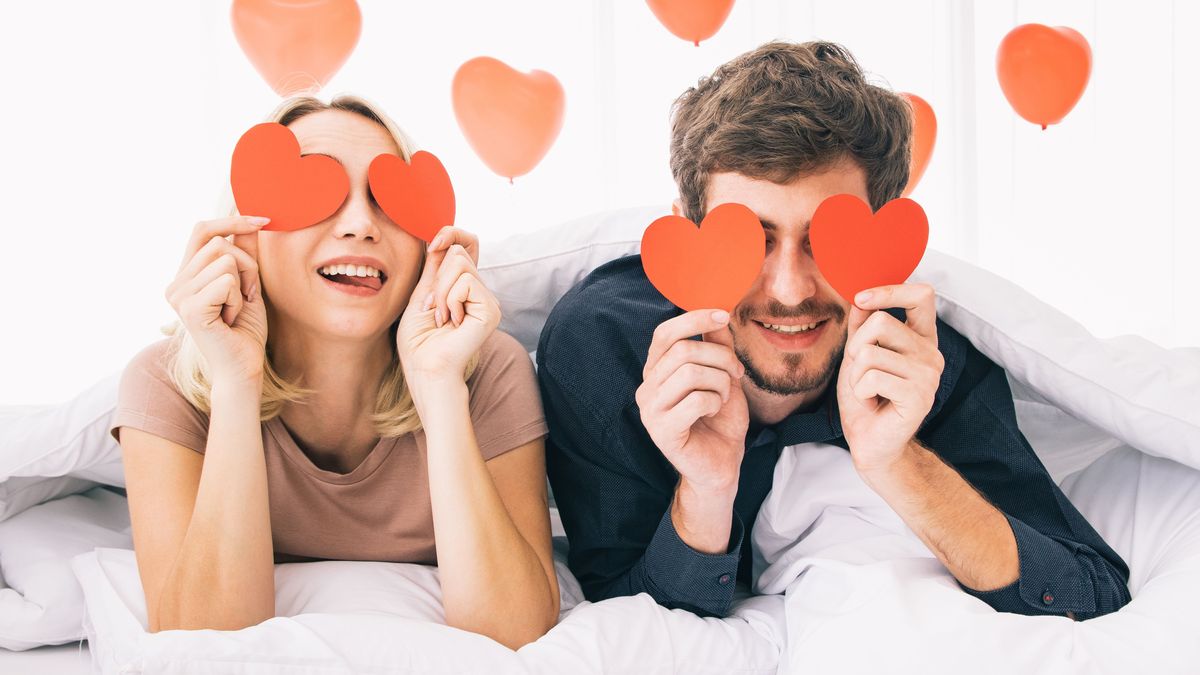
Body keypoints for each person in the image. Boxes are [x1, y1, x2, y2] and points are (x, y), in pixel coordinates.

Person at [538, 41, 1131, 620]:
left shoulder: (929, 361)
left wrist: (896, 462)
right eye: (754, 239)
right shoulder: (602, 347)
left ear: (884, 241)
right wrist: (707, 490)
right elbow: (619, 614)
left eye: (828, 240)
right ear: (690, 233)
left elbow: (1087, 590)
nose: (791, 290)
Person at [111, 95, 559, 649]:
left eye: (389, 199)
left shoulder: (487, 370)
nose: (359, 225)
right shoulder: (164, 384)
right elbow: (203, 640)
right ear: (245, 233)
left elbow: (514, 629)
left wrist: (438, 385)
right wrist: (235, 383)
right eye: (310, 193)